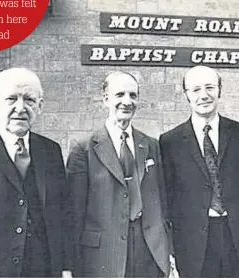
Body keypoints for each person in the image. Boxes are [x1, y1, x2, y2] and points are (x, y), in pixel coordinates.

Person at [65, 71, 171, 277]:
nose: (127, 101)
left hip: (148, 251)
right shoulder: (84, 148)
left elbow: (163, 202)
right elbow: (74, 213)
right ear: (106, 99)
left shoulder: (150, 145)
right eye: (119, 95)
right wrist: (69, 265)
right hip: (102, 255)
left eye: (133, 95)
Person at [159, 65, 239, 278]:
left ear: (219, 90)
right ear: (186, 95)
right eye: (195, 90)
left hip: (238, 240)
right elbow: (168, 198)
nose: (203, 95)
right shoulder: (170, 141)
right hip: (194, 246)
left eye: (210, 87)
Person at [0, 68, 66, 277]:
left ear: (40, 106)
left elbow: (60, 215)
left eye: (29, 100)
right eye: (11, 98)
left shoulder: (50, 151)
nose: (20, 108)